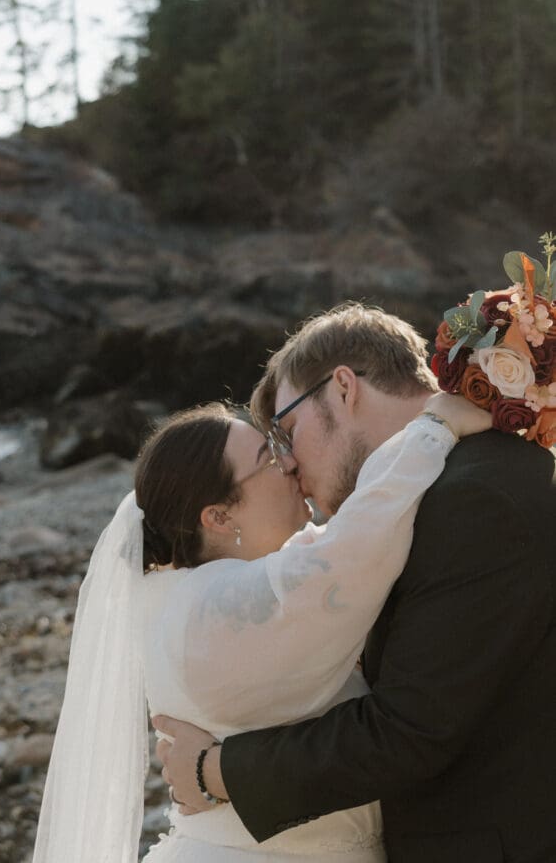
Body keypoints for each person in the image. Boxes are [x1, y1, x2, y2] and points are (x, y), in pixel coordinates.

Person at [32, 365, 490, 863]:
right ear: (219, 516)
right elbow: (354, 549)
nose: (290, 462)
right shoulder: (214, 608)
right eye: (269, 456)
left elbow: (335, 543)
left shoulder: (199, 590)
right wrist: (432, 429)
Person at [155, 304, 556, 863]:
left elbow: (410, 730)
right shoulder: (432, 496)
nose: (289, 464)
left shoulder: (474, 498)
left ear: (343, 388)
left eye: (289, 431)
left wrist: (213, 770)